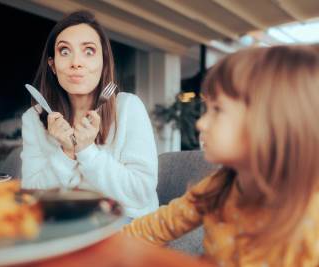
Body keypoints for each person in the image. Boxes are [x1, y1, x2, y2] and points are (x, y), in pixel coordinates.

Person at [123, 45, 319, 266]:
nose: (201, 123)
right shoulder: (218, 185)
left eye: (217, 110)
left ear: (270, 122)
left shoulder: (309, 221)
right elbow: (159, 225)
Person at [21, 11, 158, 218]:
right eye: (65, 51)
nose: (76, 62)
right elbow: (31, 196)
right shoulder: (33, 119)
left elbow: (140, 193)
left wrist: (87, 151)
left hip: (127, 226)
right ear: (53, 65)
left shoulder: (128, 107)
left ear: (103, 61)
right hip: (64, 225)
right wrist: (66, 153)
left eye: (89, 51)